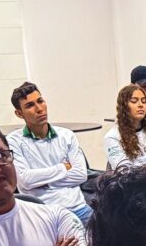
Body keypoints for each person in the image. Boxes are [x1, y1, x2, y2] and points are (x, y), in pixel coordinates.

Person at [6, 82, 93, 223]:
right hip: (44, 214)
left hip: (79, 209)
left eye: (40, 101)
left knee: (112, 232)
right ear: (19, 113)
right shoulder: (13, 141)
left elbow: (80, 175)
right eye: (30, 105)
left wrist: (43, 183)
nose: (39, 109)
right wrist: (63, 167)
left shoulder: (67, 135)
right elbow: (25, 180)